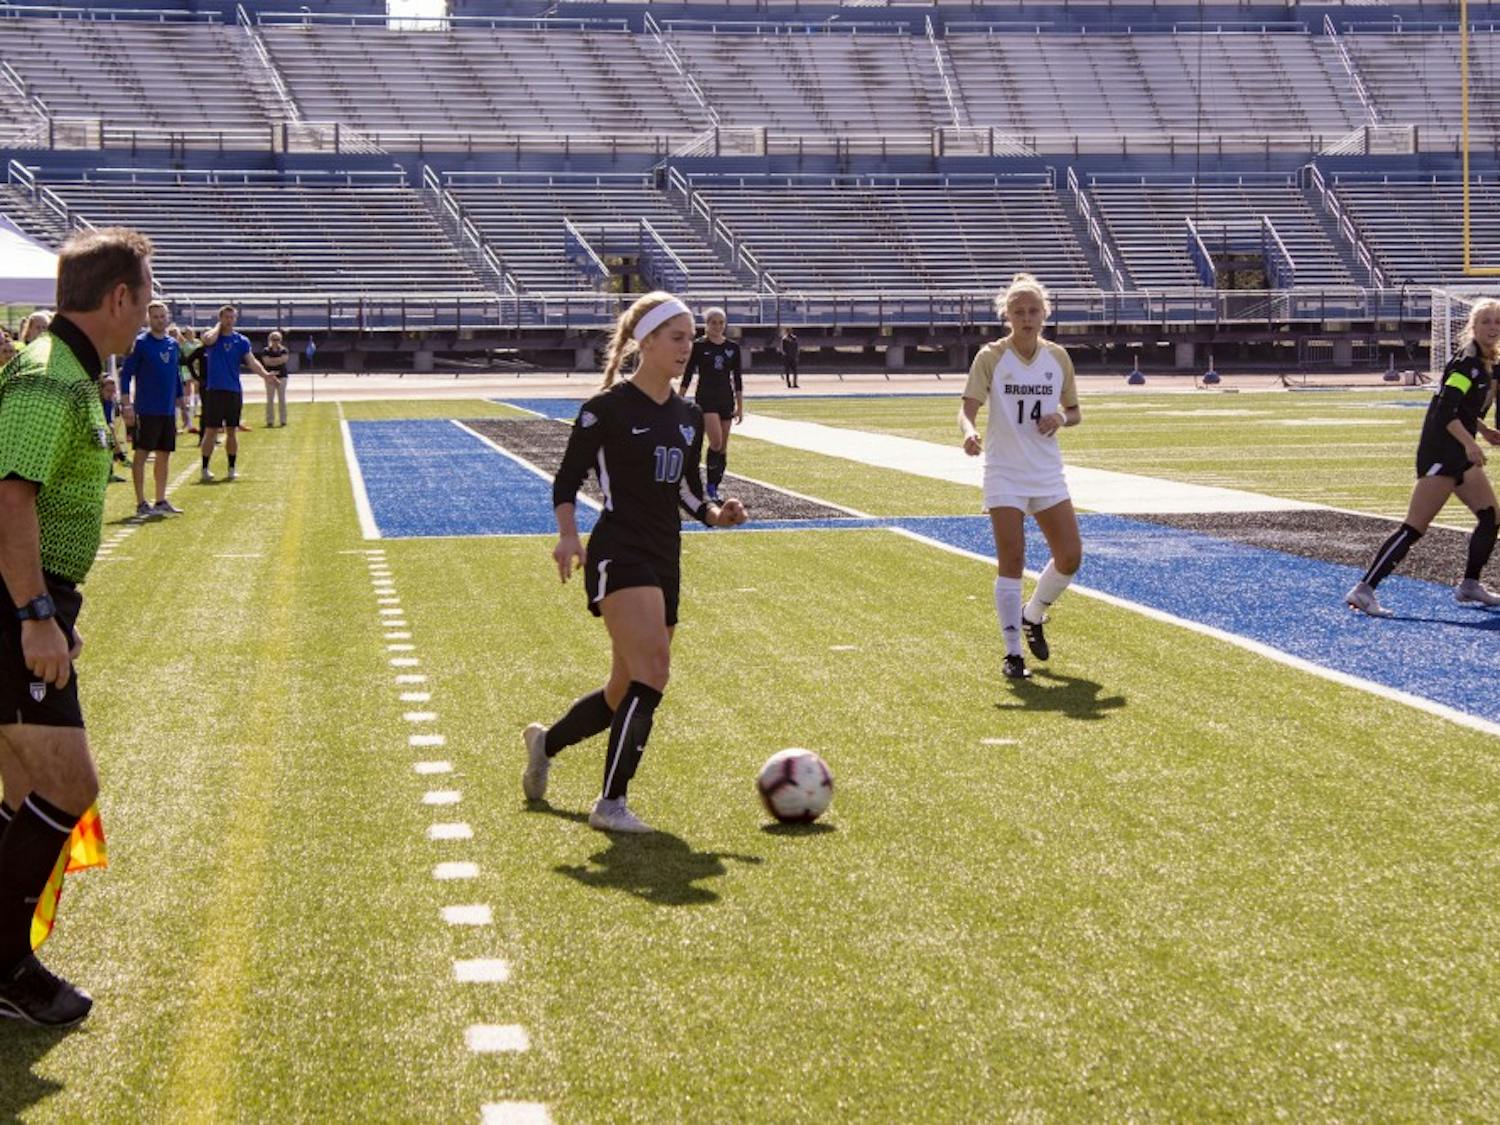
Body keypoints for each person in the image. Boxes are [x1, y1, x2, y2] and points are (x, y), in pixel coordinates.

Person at [521, 292, 748, 834]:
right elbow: (566, 477)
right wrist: (569, 536)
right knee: (655, 672)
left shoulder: (689, 415)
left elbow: (690, 493)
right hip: (619, 550)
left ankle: (545, 743)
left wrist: (717, 514)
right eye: (677, 337)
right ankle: (611, 804)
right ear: (645, 342)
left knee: (623, 690)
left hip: (667, 554)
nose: (687, 347)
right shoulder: (606, 409)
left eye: (691, 337)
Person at [0, 226, 153, 1027]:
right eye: (144, 294)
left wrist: (52, 612)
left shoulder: (69, 373)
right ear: (117, 296)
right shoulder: (51, 376)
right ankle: (4, 965)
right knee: (68, 785)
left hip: (33, 601)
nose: (149, 311)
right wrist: (34, 614)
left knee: (24, 791)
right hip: (13, 603)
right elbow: (10, 496)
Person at [959, 272, 1083, 681]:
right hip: (1005, 472)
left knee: (1070, 556)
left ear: (1045, 314)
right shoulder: (991, 357)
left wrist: (1060, 417)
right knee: (1011, 559)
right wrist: (969, 432)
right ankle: (1013, 654)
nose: (1027, 317)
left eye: (1033, 310)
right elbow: (967, 408)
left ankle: (1035, 614)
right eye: (1018, 311)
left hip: (1046, 471)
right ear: (1006, 316)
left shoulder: (1058, 358)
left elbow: (1075, 412)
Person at [1345, 298, 1500, 615]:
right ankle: (1364, 589)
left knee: (1491, 517)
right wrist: (1471, 444)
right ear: (1473, 326)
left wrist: (1481, 430)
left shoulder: (1487, 363)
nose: (1493, 327)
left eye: (1498, 321)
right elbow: (1445, 409)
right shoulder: (1467, 362)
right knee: (1414, 527)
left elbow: (1463, 408)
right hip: (1442, 450)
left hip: (1460, 451)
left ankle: (1470, 584)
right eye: (1486, 321)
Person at [120, 300, 183, 517]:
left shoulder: (173, 344)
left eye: (162, 316)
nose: (159, 320)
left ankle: (161, 499)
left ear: (168, 317)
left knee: (164, 454)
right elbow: (126, 375)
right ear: (148, 319)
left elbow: (175, 375)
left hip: (167, 410)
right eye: (155, 316)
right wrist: (127, 404)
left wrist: (181, 402)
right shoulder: (140, 344)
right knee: (142, 454)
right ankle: (141, 502)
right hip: (146, 409)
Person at [198, 305, 270, 483]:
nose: (229, 320)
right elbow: (207, 340)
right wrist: (218, 327)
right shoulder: (213, 336)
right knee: (211, 431)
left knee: (232, 430)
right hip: (214, 390)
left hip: (233, 391)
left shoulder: (241, 340)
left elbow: (252, 362)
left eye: (232, 317)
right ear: (220, 318)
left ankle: (231, 467)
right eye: (226, 317)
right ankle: (205, 468)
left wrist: (265, 375)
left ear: (236, 319)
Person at [678, 307, 743, 502]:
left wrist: (740, 406)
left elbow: (737, 378)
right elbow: (688, 373)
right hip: (706, 398)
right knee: (715, 441)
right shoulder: (698, 346)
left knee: (722, 447)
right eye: (713, 322)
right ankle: (710, 486)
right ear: (706, 324)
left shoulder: (733, 348)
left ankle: (714, 483)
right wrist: (679, 397)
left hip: (726, 398)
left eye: (721, 323)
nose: (717, 326)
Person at [259, 330, 289, 428]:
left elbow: (283, 359)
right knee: (270, 399)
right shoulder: (266, 350)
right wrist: (277, 361)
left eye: (277, 339)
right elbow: (266, 362)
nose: (275, 341)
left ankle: (283, 420)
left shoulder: (284, 350)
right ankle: (270, 421)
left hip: (282, 376)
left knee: (282, 399)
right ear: (270, 340)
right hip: (270, 376)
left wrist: (274, 361)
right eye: (273, 339)